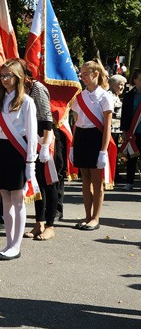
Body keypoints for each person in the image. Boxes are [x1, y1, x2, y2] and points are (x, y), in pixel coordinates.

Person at [0, 59, 38, 260]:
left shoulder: (27, 101)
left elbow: (32, 134)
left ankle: (16, 245)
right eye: (2, 75)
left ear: (18, 78)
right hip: (1, 150)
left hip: (19, 151)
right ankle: (8, 242)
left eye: (9, 75)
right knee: (5, 198)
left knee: (17, 199)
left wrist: (30, 163)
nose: (5, 79)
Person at [71, 60, 114, 231]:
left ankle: (96, 218)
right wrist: (73, 146)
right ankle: (87, 216)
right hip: (81, 137)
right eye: (81, 74)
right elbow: (76, 123)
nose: (83, 77)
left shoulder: (105, 96)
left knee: (97, 182)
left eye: (86, 74)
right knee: (85, 180)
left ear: (96, 74)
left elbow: (107, 126)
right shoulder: (79, 97)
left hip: (96, 138)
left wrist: (103, 151)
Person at [20, 60, 58, 241]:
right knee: (37, 184)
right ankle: (39, 222)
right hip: (31, 140)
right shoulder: (20, 90)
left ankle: (50, 225)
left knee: (49, 184)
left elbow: (47, 118)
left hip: (45, 140)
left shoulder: (37, 88)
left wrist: (44, 147)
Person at [120, 68, 141, 190]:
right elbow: (125, 115)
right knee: (132, 157)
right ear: (135, 80)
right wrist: (124, 131)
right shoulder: (129, 96)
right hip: (133, 132)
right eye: (140, 80)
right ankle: (129, 182)